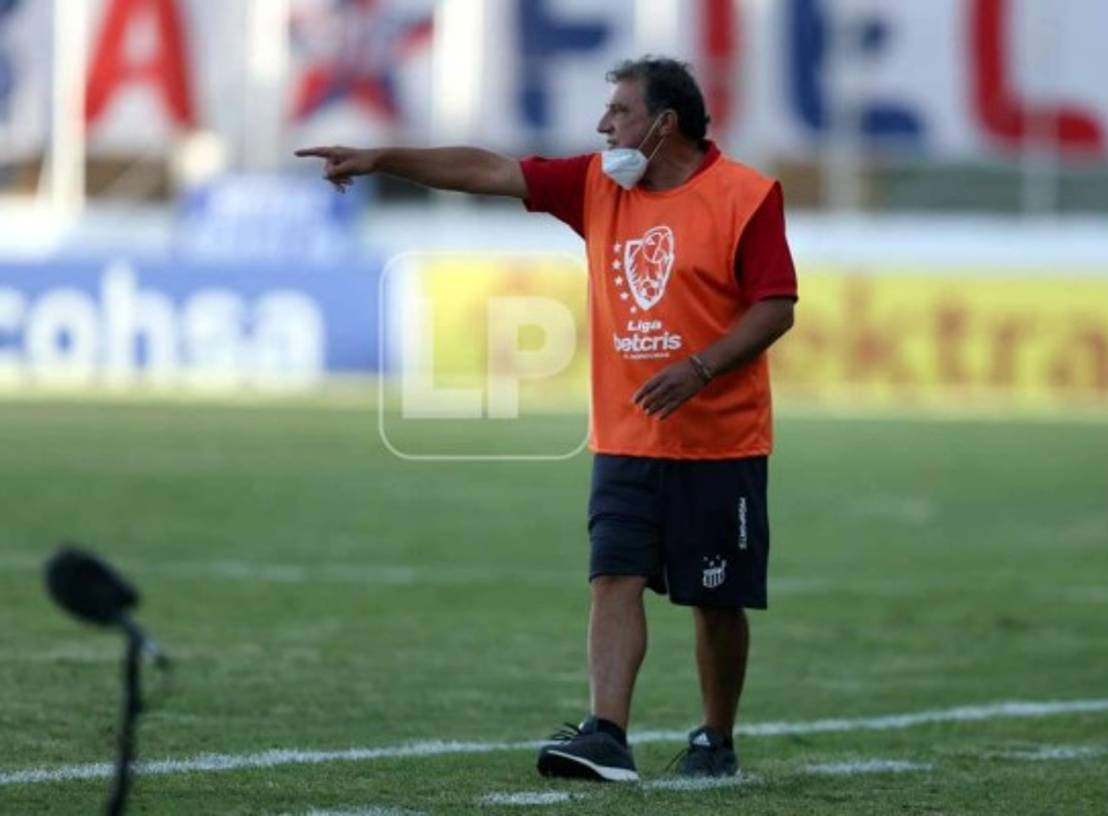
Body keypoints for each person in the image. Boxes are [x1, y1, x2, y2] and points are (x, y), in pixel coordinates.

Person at [296, 56, 797, 781]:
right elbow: (488, 172)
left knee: (714, 602)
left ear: (665, 124)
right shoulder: (597, 187)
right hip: (626, 438)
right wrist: (385, 158)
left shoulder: (746, 197)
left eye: (619, 112)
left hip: (719, 443)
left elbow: (775, 305)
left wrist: (697, 369)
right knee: (612, 578)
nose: (602, 125)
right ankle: (607, 734)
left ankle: (715, 741)